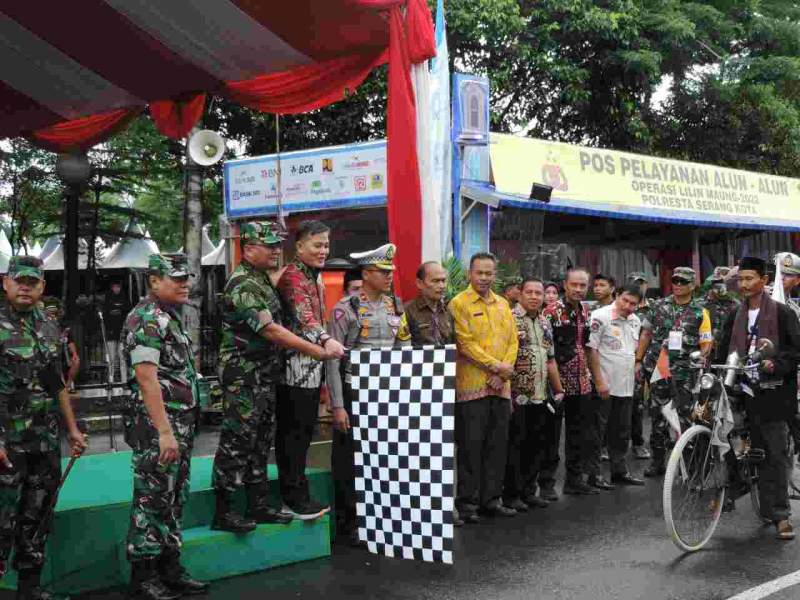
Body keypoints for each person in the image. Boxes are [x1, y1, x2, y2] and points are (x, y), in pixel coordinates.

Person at [211, 222, 333, 533]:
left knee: (260, 442)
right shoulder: (243, 285)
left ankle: (259, 504)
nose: (277, 251)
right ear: (248, 248)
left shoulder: (262, 281)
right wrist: (314, 349)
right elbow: (270, 330)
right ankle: (224, 511)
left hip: (265, 375)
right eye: (270, 245)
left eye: (279, 245)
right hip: (244, 376)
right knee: (237, 442)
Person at [121, 253, 207, 600]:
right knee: (152, 498)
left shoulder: (168, 316)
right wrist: (164, 431)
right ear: (154, 281)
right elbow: (146, 378)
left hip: (178, 425)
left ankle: (170, 569)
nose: (185, 283)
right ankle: (143, 579)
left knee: (173, 497)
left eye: (187, 278)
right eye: (176, 278)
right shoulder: (146, 318)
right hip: (157, 427)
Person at [0, 256, 87, 600]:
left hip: (44, 440)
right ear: (5, 282)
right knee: (2, 516)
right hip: (7, 441)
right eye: (19, 280)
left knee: (37, 515)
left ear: (42, 287)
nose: (25, 287)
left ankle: (29, 588)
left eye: (32, 282)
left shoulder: (50, 327)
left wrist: (73, 430)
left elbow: (58, 384)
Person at [326, 243, 406, 544]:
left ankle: (381, 518)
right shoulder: (344, 309)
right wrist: (337, 405)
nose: (389, 277)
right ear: (367, 273)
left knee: (384, 458)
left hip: (386, 393)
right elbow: (332, 358)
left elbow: (403, 350)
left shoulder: (396, 305)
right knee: (350, 460)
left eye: (390, 272)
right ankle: (350, 524)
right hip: (354, 391)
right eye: (383, 272)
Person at [717, 257, 800, 540]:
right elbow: (720, 350)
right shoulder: (733, 315)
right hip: (738, 389)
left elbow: (794, 352)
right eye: (741, 279)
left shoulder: (782, 313)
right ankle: (736, 485)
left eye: (750, 278)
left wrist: (775, 364)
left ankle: (780, 515)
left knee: (774, 454)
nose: (744, 284)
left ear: (764, 281)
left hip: (772, 393)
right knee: (725, 438)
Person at [276, 221, 345, 520]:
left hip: (312, 368)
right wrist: (328, 340)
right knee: (293, 435)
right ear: (300, 246)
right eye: (317, 245)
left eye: (326, 245)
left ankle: (298, 493)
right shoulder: (293, 277)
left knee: (304, 434)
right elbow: (305, 318)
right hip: (293, 370)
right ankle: (293, 498)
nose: (323, 251)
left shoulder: (315, 277)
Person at [449, 253, 519, 521]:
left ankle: (491, 499)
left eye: (489, 273)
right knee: (470, 446)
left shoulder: (503, 304)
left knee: (496, 446)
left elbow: (513, 341)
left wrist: (504, 372)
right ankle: (467, 503)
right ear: (470, 273)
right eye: (480, 273)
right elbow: (464, 344)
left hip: (501, 387)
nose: (484, 278)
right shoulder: (459, 303)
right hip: (471, 386)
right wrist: (496, 367)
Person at [642, 266, 713, 477]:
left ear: (692, 285)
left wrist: (702, 356)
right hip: (659, 369)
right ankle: (657, 462)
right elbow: (646, 334)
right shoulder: (658, 306)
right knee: (658, 417)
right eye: (675, 280)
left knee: (686, 417)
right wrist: (638, 360)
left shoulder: (701, 311)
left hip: (686, 373)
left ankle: (689, 464)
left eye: (683, 281)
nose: (678, 285)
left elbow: (706, 342)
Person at [503, 278, 565, 511]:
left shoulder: (544, 322)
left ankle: (529, 491)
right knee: (515, 446)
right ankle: (511, 494)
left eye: (538, 293)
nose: (534, 296)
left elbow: (550, 359)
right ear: (519, 294)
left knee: (536, 445)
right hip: (516, 395)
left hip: (540, 395)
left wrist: (559, 390)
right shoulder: (509, 318)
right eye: (529, 292)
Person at [543, 268, 596, 495]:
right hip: (557, 384)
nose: (578, 289)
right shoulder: (551, 312)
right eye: (574, 285)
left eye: (583, 285)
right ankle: (546, 484)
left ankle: (574, 481)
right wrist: (555, 385)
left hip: (581, 382)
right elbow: (546, 351)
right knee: (551, 435)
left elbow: (586, 346)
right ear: (565, 285)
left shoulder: (586, 310)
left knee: (578, 433)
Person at [587, 284, 645, 487]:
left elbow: (631, 352)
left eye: (633, 304)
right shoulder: (599, 316)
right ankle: (593, 476)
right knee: (597, 433)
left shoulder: (635, 321)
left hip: (626, 386)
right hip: (604, 385)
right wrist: (599, 381)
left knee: (621, 432)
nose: (628, 306)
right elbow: (591, 350)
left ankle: (619, 471)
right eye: (625, 300)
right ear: (617, 296)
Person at [627, 272, 654, 460]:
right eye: (635, 283)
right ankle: (635, 443)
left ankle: (651, 442)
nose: (639, 287)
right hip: (629, 360)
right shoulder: (625, 306)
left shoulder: (655, 308)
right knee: (633, 403)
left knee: (655, 404)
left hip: (651, 361)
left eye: (642, 283)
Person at [396, 261, 454, 347]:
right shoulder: (407, 311)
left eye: (443, 280)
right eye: (435, 281)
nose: (442, 286)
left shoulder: (447, 311)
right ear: (420, 283)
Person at [704, 268, 740, 348]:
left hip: (729, 346)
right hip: (707, 347)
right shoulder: (702, 305)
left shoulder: (736, 304)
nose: (720, 287)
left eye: (722, 283)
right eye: (715, 284)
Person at [103, 280, 131, 383]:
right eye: (114, 287)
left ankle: (124, 382)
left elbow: (129, 314)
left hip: (122, 333)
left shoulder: (125, 299)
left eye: (118, 287)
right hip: (111, 333)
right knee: (111, 359)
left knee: (122, 358)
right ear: (112, 287)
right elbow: (105, 315)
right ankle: (110, 381)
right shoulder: (108, 299)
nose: (116, 289)